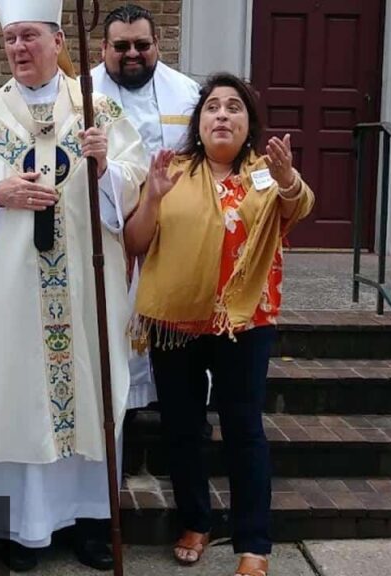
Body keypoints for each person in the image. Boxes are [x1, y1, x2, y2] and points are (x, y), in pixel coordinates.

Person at [0, 0, 148, 571]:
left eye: (30, 36)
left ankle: (91, 521)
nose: (18, 48)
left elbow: (136, 197)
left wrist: (105, 166)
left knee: (90, 390)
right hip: (10, 289)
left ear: (60, 41)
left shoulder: (99, 111)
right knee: (17, 392)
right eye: (10, 38)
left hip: (87, 290)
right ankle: (21, 528)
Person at [124, 72, 315, 576]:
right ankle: (195, 521)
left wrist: (289, 178)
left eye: (234, 107)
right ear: (199, 120)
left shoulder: (269, 173)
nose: (222, 115)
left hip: (244, 323)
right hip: (176, 322)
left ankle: (254, 544)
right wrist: (153, 199)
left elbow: (298, 208)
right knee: (183, 429)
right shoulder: (171, 170)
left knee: (243, 429)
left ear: (249, 121)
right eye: (212, 107)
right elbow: (136, 243)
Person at [90, 3, 200, 410]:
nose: (132, 53)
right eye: (121, 46)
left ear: (158, 44)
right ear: (103, 48)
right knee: (116, 321)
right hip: (109, 228)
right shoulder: (82, 93)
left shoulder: (187, 93)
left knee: (177, 327)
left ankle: (181, 410)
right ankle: (124, 413)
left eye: (142, 44)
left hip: (174, 231)